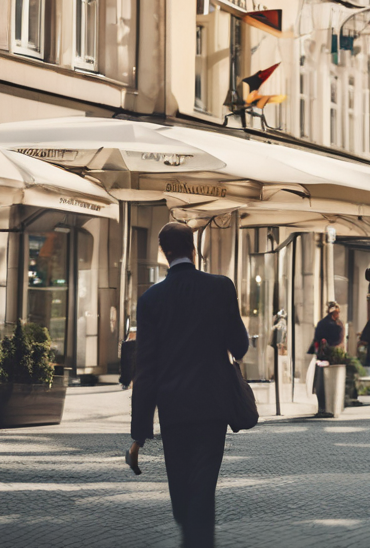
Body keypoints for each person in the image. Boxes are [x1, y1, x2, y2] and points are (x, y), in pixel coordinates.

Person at [128, 223, 249, 548]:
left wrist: (139, 434)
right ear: (193, 249)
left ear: (163, 253)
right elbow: (239, 346)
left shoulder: (151, 299)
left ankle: (194, 538)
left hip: (174, 410)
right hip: (213, 406)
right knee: (203, 487)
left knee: (182, 491)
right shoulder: (220, 287)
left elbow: (146, 370)